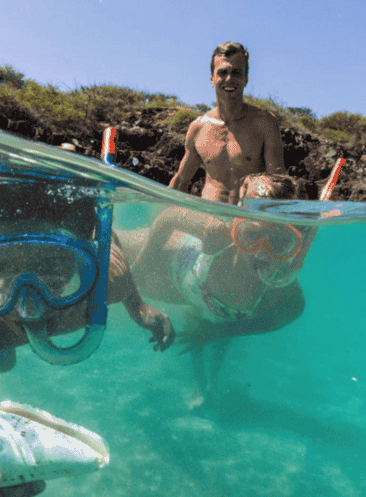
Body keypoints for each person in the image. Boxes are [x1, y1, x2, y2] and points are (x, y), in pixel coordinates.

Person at [0, 167, 174, 497]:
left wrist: (140, 309)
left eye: (54, 263)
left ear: (92, 251)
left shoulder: (108, 281)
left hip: (4, 323)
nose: (29, 306)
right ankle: (0, 353)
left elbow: (112, 247)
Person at [120, 173, 314, 403]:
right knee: (106, 249)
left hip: (215, 305)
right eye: (251, 235)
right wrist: (143, 265)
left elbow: (288, 314)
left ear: (293, 244)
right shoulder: (218, 232)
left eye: (280, 242)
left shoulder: (281, 284)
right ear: (237, 226)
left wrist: (219, 332)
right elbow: (168, 216)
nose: (262, 251)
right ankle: (202, 380)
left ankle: (205, 386)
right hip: (182, 268)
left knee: (213, 332)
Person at [169, 43, 286, 205]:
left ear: (245, 79)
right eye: (222, 72)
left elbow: (279, 186)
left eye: (236, 73)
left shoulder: (265, 123)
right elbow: (181, 181)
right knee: (162, 222)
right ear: (212, 79)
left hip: (246, 221)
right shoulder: (198, 128)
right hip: (208, 219)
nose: (229, 79)